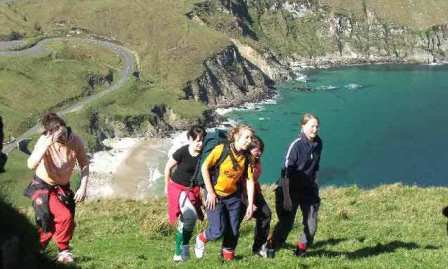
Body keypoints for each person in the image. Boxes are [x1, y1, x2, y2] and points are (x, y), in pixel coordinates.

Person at [24, 112, 89, 264]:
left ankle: (34, 251)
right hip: (43, 186)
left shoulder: (76, 140)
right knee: (61, 217)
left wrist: (83, 187)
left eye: (64, 133)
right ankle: (63, 253)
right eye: (59, 137)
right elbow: (30, 164)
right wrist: (48, 143)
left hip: (62, 188)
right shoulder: (44, 141)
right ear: (50, 134)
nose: (63, 138)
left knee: (62, 223)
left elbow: (84, 164)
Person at [194, 124, 255, 261]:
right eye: (246, 137)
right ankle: (201, 238)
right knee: (217, 231)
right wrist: (210, 192)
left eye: (251, 138)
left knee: (233, 230)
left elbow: (250, 180)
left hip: (233, 197)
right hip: (215, 195)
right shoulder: (221, 150)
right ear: (235, 136)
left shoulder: (247, 157)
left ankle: (228, 261)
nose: (249, 141)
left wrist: (250, 204)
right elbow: (204, 168)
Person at [270, 113, 323, 257]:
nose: (315, 129)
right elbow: (285, 172)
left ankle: (301, 248)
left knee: (311, 225)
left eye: (317, 126)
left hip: (308, 189)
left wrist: (315, 188)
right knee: (287, 223)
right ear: (303, 126)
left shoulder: (319, 143)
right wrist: (286, 198)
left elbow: (315, 167)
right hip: (290, 189)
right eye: (312, 126)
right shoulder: (296, 145)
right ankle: (272, 245)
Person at [164, 125, 206, 262]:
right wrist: (166, 186)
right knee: (190, 216)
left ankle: (179, 252)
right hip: (177, 188)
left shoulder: (204, 154)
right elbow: (168, 167)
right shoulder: (182, 152)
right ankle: (184, 247)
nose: (200, 143)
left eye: (202, 140)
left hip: (192, 191)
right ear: (189, 139)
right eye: (197, 140)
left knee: (187, 221)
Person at [241, 136, 272, 258]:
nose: (259, 153)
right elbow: (243, 182)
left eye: (261, 150)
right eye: (257, 150)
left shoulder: (256, 160)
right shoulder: (244, 161)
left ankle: (258, 247)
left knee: (266, 214)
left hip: (254, 190)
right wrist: (249, 202)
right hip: (241, 193)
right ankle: (227, 251)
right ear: (249, 149)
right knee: (235, 220)